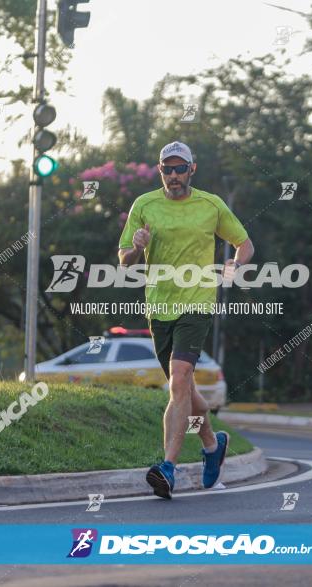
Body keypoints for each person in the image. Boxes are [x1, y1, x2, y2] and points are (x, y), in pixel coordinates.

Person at [117, 141, 255, 499]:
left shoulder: (211, 205)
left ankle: (168, 468)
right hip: (159, 306)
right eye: (168, 169)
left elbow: (245, 243)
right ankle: (212, 445)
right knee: (187, 390)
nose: (174, 175)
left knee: (179, 380)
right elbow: (124, 261)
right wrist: (136, 246)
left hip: (197, 301)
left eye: (180, 168)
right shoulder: (144, 205)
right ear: (159, 170)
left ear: (193, 169)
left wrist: (234, 265)